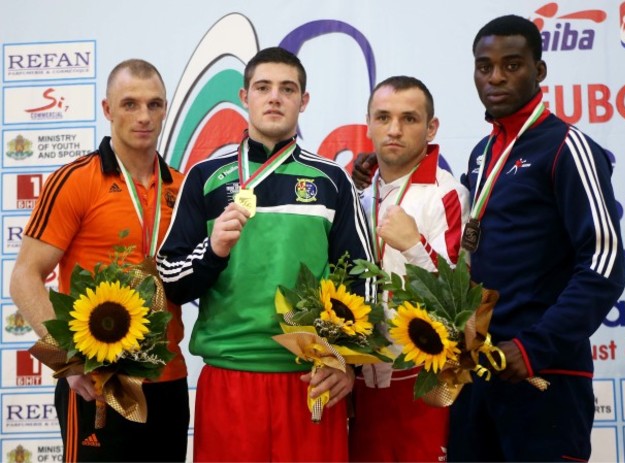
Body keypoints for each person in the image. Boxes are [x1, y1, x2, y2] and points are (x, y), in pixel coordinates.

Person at [156, 46, 374, 462]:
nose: (274, 97)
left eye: (287, 89)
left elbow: (364, 279)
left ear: (303, 101)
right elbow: (170, 279)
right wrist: (213, 250)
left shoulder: (331, 181)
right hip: (230, 380)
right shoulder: (204, 177)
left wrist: (347, 360)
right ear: (244, 97)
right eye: (263, 87)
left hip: (311, 379)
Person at [445, 15, 625, 462]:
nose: (496, 77)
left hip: (543, 373)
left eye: (512, 65)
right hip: (479, 373)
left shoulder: (567, 146)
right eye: (484, 67)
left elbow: (604, 264)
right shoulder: (482, 152)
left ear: (539, 71)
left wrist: (534, 347)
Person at [10, 59, 189, 462]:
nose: (144, 116)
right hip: (97, 381)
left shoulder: (181, 186)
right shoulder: (75, 180)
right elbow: (24, 276)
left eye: (155, 105)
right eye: (129, 104)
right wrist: (66, 360)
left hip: (169, 381)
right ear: (107, 109)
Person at [348, 76, 470, 462]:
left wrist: (414, 245)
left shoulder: (447, 193)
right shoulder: (360, 196)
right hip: (360, 384)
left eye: (410, 119)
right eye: (383, 117)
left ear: (431, 128)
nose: (395, 129)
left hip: (422, 381)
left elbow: (459, 303)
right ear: (367, 123)